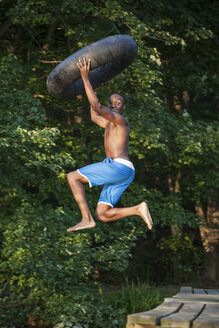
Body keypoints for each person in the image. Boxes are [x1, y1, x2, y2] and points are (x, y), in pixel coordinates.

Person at [67, 58, 153, 232]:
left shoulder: (121, 121)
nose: (114, 104)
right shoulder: (108, 124)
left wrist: (85, 78)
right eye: (111, 102)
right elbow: (94, 115)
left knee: (72, 177)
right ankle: (138, 209)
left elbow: (97, 106)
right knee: (103, 214)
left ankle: (86, 219)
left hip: (119, 167)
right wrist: (94, 89)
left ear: (123, 107)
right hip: (124, 172)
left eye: (118, 102)